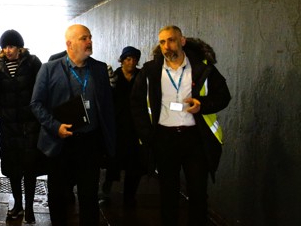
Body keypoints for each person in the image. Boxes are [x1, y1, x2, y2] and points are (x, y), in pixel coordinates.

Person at [130, 25, 231, 226]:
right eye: (162, 42)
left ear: (182, 41)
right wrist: (148, 135)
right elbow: (136, 102)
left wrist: (202, 105)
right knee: (168, 192)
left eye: (171, 40)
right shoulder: (151, 71)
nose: (167, 46)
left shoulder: (203, 68)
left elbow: (223, 96)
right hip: (164, 139)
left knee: (198, 193)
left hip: (195, 139)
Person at [30, 24, 116, 226]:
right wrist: (55, 126)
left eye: (90, 37)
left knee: (89, 196)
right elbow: (36, 103)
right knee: (58, 196)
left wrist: (110, 143)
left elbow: (107, 107)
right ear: (69, 44)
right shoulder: (49, 69)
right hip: (60, 143)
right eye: (84, 38)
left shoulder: (99, 69)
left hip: (89, 143)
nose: (89, 42)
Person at [0, 29, 43, 224]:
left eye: (11, 46)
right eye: (4, 46)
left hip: (29, 126)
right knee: (13, 168)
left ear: (19, 47)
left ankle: (29, 209)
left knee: (30, 167)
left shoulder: (33, 63)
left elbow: (41, 90)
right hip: (9, 126)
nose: (7, 50)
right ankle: (18, 205)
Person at [99, 46, 146, 207]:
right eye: (128, 59)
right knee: (113, 162)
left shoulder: (141, 77)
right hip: (117, 126)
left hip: (135, 127)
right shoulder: (115, 77)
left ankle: (130, 196)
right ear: (122, 60)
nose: (131, 62)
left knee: (135, 164)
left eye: (134, 59)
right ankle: (106, 191)